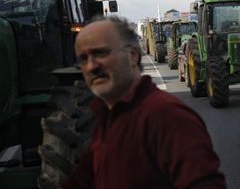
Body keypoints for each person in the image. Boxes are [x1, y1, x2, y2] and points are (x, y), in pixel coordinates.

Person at [63, 15, 226, 189]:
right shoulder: (106, 121)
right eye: (83, 59)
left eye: (101, 53)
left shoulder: (166, 116)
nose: (91, 66)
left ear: (132, 55)